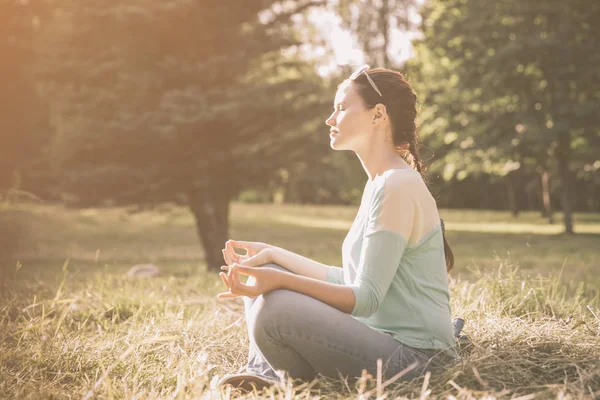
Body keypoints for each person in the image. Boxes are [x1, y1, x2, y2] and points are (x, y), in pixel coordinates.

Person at [215, 65, 459, 393]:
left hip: (417, 361)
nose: (330, 119)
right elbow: (348, 279)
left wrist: (281, 281)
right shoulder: (380, 184)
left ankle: (276, 378)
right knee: (263, 267)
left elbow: (366, 299)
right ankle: (266, 373)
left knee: (276, 308)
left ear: (378, 115)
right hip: (385, 345)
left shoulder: (397, 185)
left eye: (341, 108)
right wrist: (272, 256)